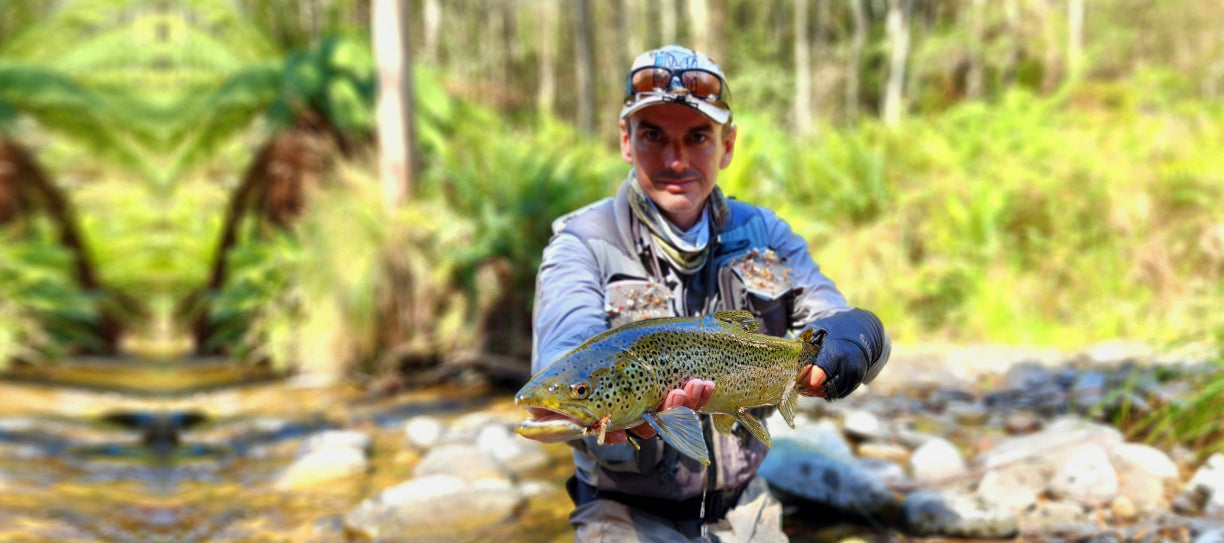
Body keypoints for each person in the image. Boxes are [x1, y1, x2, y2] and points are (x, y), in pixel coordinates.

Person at [530, 45, 891, 543]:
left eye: (697, 137)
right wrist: (584, 397)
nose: (676, 159)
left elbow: (840, 320)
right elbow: (566, 350)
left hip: (747, 508)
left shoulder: (767, 235)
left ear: (727, 145)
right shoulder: (580, 244)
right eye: (653, 135)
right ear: (625, 140)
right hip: (623, 514)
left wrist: (852, 342)